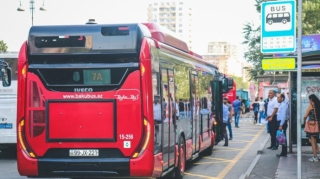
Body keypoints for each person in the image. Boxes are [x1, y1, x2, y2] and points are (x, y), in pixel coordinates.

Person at [302, 94, 320, 162]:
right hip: (317, 125)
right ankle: (318, 151)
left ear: (311, 100)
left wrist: (304, 122)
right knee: (312, 140)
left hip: (311, 125)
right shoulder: (318, 105)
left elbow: (305, 116)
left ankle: (315, 157)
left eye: (309, 100)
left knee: (312, 141)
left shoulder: (311, 106)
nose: (309, 101)